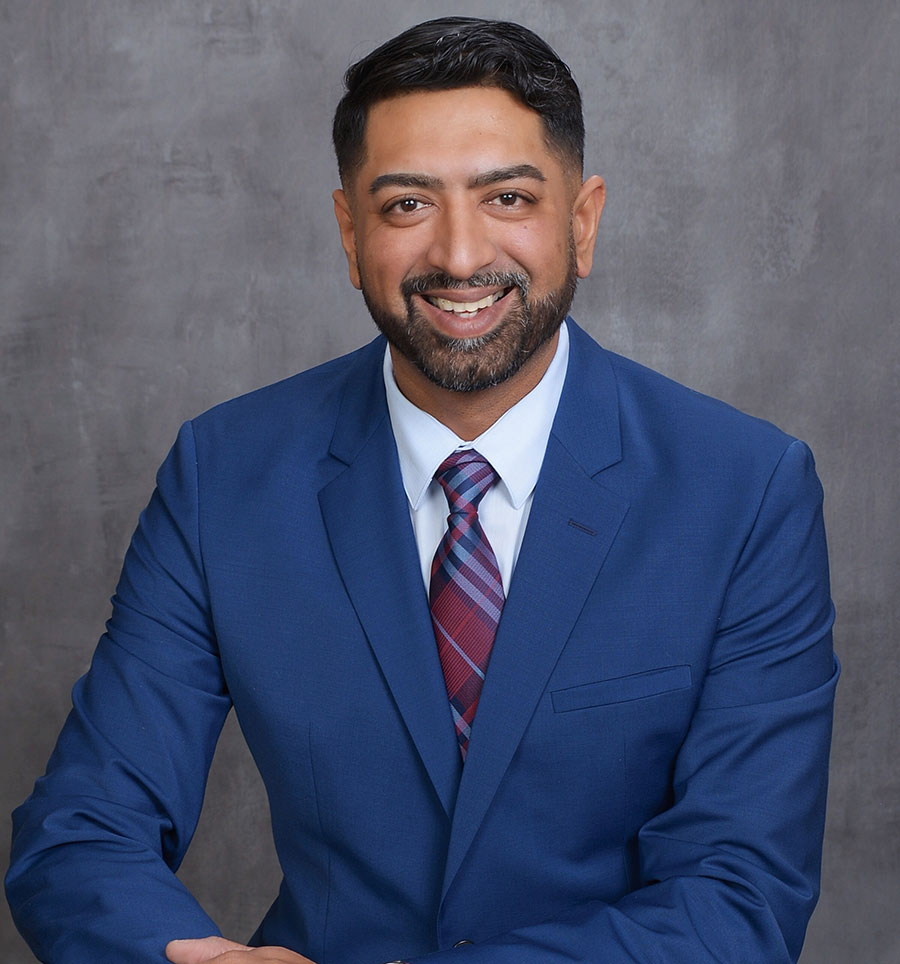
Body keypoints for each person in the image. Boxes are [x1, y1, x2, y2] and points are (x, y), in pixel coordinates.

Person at [6, 17, 838, 964]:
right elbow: (81, 834)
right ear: (349, 232)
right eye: (407, 204)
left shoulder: (744, 491)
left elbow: (739, 898)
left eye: (508, 198)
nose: (459, 256)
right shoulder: (223, 475)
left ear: (582, 222)